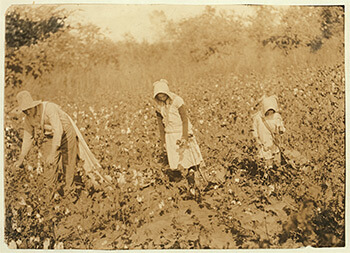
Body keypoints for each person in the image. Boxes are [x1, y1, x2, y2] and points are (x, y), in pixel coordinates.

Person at [13, 91, 109, 200]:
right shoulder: (28, 118)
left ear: (34, 106)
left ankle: (69, 193)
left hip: (66, 133)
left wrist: (53, 153)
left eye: (29, 108)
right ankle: (48, 197)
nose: (27, 112)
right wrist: (21, 158)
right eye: (25, 110)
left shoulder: (49, 108)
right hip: (50, 136)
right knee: (49, 165)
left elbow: (58, 130)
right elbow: (27, 137)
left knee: (67, 163)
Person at [153, 79, 204, 194]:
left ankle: (193, 185)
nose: (161, 97)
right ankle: (185, 185)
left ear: (167, 93)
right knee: (177, 163)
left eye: (163, 95)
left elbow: (185, 120)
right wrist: (163, 143)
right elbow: (161, 127)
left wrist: (185, 137)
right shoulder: (158, 107)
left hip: (182, 132)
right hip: (170, 135)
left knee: (189, 159)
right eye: (159, 96)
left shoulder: (177, 101)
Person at [252, 95, 286, 170]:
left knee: (276, 161)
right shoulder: (258, 118)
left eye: (272, 111)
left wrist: (280, 129)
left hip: (274, 142)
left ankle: (276, 173)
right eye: (268, 111)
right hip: (264, 143)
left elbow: (281, 129)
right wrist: (257, 140)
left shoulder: (277, 116)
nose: (270, 114)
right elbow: (254, 130)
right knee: (266, 162)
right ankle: (267, 175)